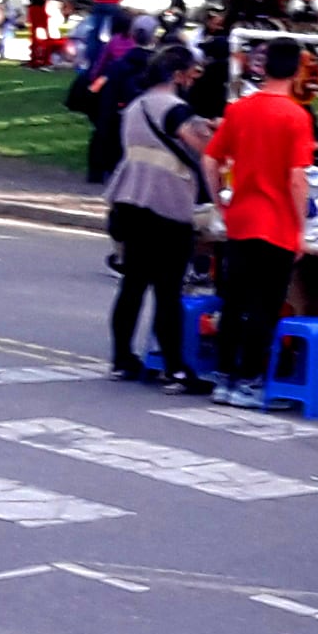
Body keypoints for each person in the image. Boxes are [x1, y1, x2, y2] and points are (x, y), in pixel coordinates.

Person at [206, 39, 318, 408]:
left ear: (263, 66)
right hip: (278, 224)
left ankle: (224, 376)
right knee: (264, 306)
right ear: (298, 70)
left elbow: (211, 160)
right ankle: (251, 382)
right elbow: (296, 179)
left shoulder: (238, 109)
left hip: (241, 219)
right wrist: (301, 226)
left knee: (234, 300)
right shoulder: (296, 117)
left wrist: (219, 200)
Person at [103, 46, 213, 387]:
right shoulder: (174, 108)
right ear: (178, 74)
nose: (193, 80)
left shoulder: (136, 107)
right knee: (168, 291)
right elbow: (205, 145)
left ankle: (122, 358)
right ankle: (177, 368)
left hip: (129, 200)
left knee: (132, 284)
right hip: (165, 204)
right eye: (192, 73)